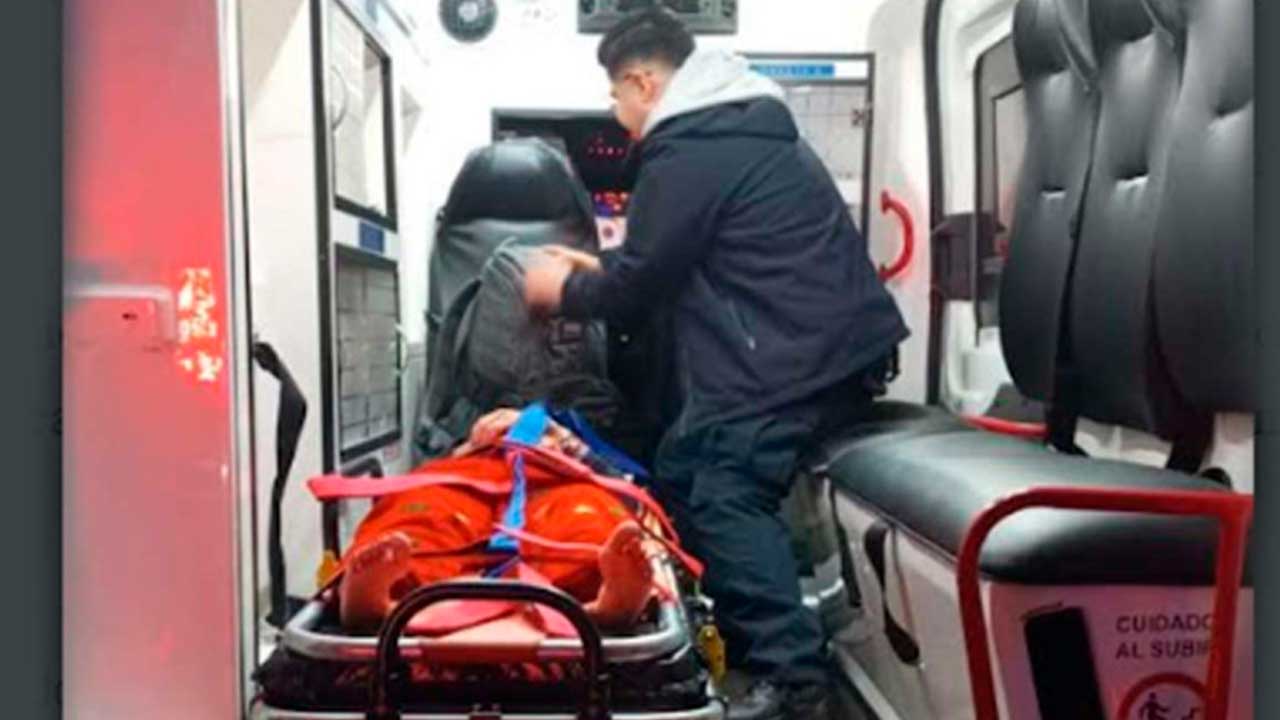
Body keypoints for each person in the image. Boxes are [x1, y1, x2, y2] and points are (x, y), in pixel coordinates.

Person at [522, 9, 908, 720]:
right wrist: (602, 267)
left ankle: (794, 682)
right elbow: (671, 257)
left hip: (798, 357)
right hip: (822, 348)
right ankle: (719, 630)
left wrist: (561, 292)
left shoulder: (688, 146)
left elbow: (639, 290)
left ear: (643, 83)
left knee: (726, 486)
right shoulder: (730, 128)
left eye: (616, 95)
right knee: (677, 464)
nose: (618, 113)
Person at [338, 409, 656, 635]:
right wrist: (469, 450)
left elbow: (627, 486)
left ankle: (610, 604)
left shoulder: (569, 435)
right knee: (421, 521)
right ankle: (375, 602)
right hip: (465, 478)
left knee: (586, 522)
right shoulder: (462, 448)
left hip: (556, 482)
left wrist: (562, 445)